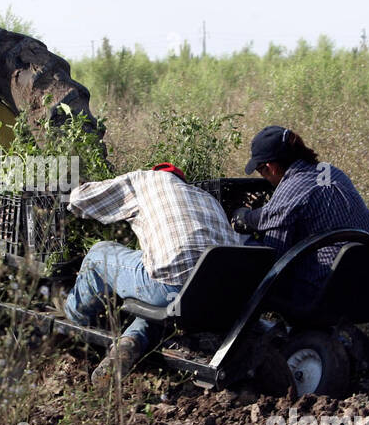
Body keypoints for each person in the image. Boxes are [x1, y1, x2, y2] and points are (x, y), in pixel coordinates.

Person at [64, 162, 245, 388]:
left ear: (156, 172)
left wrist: (74, 188)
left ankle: (73, 320)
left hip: (170, 290)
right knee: (163, 305)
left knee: (99, 254)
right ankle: (129, 342)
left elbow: (80, 199)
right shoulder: (206, 198)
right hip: (217, 299)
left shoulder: (145, 180)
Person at [232, 125, 369, 306]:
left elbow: (274, 259)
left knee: (243, 244)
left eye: (260, 171)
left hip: (326, 295)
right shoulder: (330, 171)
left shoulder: (291, 187)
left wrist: (243, 225)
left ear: (271, 168)